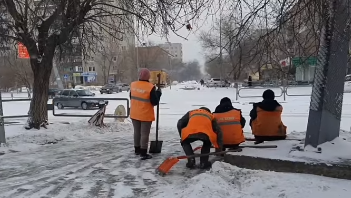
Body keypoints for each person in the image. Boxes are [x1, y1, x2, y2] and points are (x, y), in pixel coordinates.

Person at [130, 68, 162, 160]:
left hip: (134, 113)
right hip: (145, 114)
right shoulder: (150, 87)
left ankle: (137, 149)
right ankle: (143, 153)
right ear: (148, 76)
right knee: (144, 134)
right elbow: (154, 102)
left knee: (137, 132)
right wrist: (158, 93)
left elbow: (131, 97)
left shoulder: (133, 84)